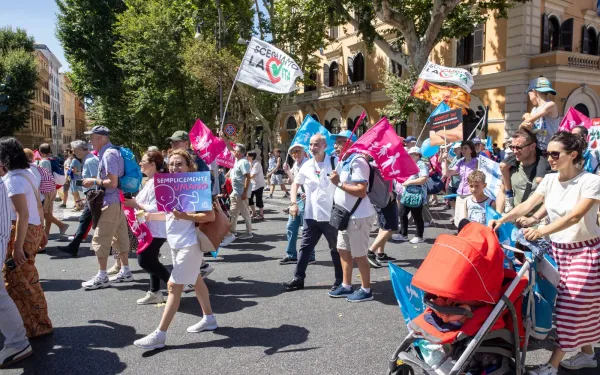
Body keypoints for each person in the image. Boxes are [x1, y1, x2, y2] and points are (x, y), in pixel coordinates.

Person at [489, 132, 600, 375]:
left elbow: (574, 216)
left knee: (571, 307)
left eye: (554, 153)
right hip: (557, 252)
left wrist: (541, 231)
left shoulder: (590, 181)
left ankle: (553, 364)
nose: (548, 158)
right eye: (547, 152)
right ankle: (589, 355)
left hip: (585, 252)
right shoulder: (550, 180)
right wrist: (502, 219)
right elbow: (528, 205)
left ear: (572, 155)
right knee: (576, 306)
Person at [134, 150, 217, 349]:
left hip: (190, 243)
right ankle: (210, 319)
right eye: (172, 164)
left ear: (189, 166)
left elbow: (209, 216)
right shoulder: (169, 185)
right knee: (196, 281)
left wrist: (184, 216)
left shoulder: (196, 186)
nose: (174, 167)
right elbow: (169, 215)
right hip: (176, 243)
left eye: (179, 164)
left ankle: (159, 335)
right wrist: (148, 216)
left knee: (173, 287)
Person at [0, 137, 53, 339]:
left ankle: (33, 325)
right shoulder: (29, 172)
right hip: (32, 228)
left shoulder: (13, 179)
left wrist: (18, 247)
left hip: (20, 231)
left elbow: (21, 214)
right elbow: (38, 205)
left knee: (19, 280)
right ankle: (37, 322)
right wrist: (42, 231)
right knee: (26, 278)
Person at [282, 134, 343, 292]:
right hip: (311, 214)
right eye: (310, 145)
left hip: (330, 215)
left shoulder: (335, 163)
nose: (312, 148)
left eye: (316, 145)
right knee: (305, 247)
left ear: (324, 146)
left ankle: (340, 280)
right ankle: (298, 278)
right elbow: (296, 184)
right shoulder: (307, 165)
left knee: (336, 249)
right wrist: (293, 202)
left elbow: (344, 185)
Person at [80, 125, 133, 290]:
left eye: (92, 137)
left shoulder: (109, 154)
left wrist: (93, 181)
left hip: (109, 202)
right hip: (116, 201)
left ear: (101, 138)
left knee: (100, 239)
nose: (90, 141)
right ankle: (126, 271)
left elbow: (112, 182)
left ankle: (102, 276)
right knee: (120, 237)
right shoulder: (112, 152)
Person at [327, 134, 377, 302]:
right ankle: (347, 285)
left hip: (358, 217)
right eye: (336, 142)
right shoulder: (344, 161)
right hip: (345, 215)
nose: (336, 145)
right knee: (343, 250)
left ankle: (366, 289)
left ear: (351, 144)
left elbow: (361, 191)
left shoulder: (358, 161)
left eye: (341, 142)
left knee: (359, 255)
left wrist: (339, 183)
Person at [500, 77, 560, 212]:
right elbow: (524, 127)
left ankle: (546, 207)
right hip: (534, 146)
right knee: (503, 166)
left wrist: (527, 117)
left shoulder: (551, 105)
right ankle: (509, 196)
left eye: (529, 94)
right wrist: (526, 118)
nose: (529, 97)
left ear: (534, 92)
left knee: (539, 180)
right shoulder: (533, 110)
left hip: (546, 150)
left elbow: (531, 120)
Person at [124, 150, 170, 305]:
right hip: (149, 228)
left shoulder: (158, 181)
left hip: (156, 228)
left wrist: (136, 204)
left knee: (145, 261)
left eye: (143, 161)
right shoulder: (150, 181)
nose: (140, 163)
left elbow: (159, 206)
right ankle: (155, 292)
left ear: (152, 164)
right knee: (152, 260)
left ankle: (173, 285)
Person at [0, 167, 32, 368]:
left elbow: (25, 213)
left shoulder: (12, 179)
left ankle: (18, 342)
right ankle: (17, 341)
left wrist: (18, 246)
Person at [495, 129, 552, 226]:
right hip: (515, 227)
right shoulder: (510, 168)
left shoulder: (546, 170)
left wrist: (536, 219)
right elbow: (502, 192)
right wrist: (498, 216)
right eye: (512, 147)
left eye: (519, 147)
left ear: (533, 146)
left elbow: (550, 199)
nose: (515, 151)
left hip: (539, 228)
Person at [58, 144, 98, 257]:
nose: (74, 153)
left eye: (75, 150)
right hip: (92, 195)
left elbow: (97, 179)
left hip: (94, 195)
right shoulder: (88, 160)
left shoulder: (90, 161)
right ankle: (73, 246)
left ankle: (110, 248)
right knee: (84, 221)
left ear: (81, 149)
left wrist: (86, 184)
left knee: (95, 222)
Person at [279, 143, 314, 264]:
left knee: (306, 229)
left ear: (304, 152)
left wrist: (288, 172)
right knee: (291, 227)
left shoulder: (308, 164)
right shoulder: (296, 164)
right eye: (293, 152)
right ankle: (291, 254)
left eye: (298, 151)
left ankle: (310, 255)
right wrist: (288, 172)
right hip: (297, 199)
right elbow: (292, 181)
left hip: (306, 200)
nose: (295, 154)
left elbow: (299, 180)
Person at [392, 147, 428, 244]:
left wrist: (409, 182)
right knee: (402, 213)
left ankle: (419, 236)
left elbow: (423, 179)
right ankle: (403, 234)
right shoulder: (411, 164)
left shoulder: (421, 164)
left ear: (417, 154)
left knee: (417, 215)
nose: (409, 156)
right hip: (407, 193)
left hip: (417, 194)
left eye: (411, 154)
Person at [220, 141, 253, 246]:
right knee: (233, 212)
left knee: (245, 213)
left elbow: (248, 177)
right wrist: (223, 138)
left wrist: (244, 192)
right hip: (235, 192)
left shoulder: (243, 162)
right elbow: (230, 148)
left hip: (241, 192)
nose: (233, 152)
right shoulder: (236, 159)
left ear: (240, 153)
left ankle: (249, 232)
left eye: (236, 151)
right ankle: (232, 232)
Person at [441, 140, 478, 227]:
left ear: (471, 150)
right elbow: (447, 173)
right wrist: (445, 159)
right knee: (459, 219)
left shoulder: (477, 161)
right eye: (462, 148)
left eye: (465, 148)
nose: (463, 150)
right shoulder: (460, 161)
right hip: (460, 193)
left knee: (469, 219)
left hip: (471, 194)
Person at [37, 143, 69, 238]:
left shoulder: (43, 162)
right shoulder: (52, 159)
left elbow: (44, 177)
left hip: (46, 190)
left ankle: (61, 225)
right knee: (48, 212)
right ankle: (46, 234)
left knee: (43, 212)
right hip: (53, 188)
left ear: (40, 152)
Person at [247, 151, 265, 221]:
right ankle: (254, 212)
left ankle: (261, 214)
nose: (247, 157)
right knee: (249, 198)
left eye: (248, 156)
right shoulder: (248, 163)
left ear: (252, 157)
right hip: (252, 184)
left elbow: (253, 175)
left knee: (259, 199)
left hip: (259, 184)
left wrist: (245, 178)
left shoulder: (257, 164)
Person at [69, 141, 85, 212]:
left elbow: (74, 171)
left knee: (75, 193)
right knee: (77, 193)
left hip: (74, 178)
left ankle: (78, 206)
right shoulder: (79, 160)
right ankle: (80, 205)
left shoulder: (74, 161)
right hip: (78, 177)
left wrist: (68, 169)